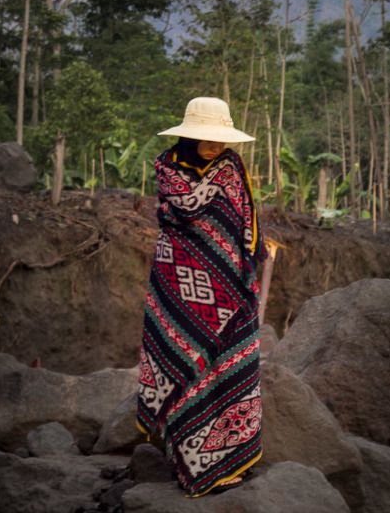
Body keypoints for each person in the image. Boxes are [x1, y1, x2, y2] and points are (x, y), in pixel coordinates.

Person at [137, 96, 267, 498]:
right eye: (204, 139)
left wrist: (247, 264)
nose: (213, 147)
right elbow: (184, 215)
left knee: (229, 366)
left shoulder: (230, 167)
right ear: (188, 137)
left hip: (229, 285)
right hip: (177, 280)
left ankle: (224, 459)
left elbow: (245, 220)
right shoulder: (167, 168)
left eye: (218, 140)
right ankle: (187, 461)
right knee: (182, 362)